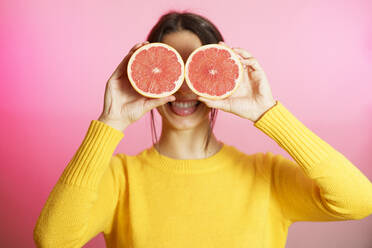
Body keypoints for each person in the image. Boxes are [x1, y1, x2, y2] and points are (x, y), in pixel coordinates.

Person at [33, 11, 372, 248]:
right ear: (145, 78)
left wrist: (269, 113)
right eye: (169, 69)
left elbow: (359, 201)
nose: (183, 89)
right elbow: (53, 240)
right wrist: (110, 122)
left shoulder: (265, 176)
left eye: (196, 68)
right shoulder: (120, 179)